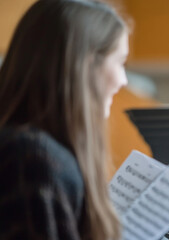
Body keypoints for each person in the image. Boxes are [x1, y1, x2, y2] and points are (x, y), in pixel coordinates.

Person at [0, 0, 129, 239]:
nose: (124, 81)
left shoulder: (33, 152)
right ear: (87, 65)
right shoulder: (32, 160)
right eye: (120, 62)